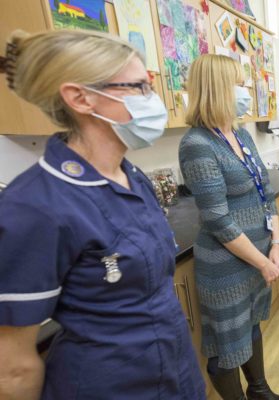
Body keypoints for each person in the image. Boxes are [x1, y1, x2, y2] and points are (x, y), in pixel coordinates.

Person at [0, 30, 204, 398]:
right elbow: (12, 368)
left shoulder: (132, 176)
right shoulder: (33, 205)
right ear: (80, 97)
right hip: (109, 385)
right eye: (139, 87)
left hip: (175, 372)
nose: (152, 100)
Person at [178, 55, 279, 400]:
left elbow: (266, 193)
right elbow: (218, 220)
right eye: (239, 83)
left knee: (251, 324)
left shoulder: (240, 133)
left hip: (258, 258)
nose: (246, 91)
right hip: (227, 268)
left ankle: (259, 389)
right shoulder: (196, 144)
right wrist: (263, 261)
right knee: (227, 343)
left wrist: (278, 243)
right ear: (218, 89)